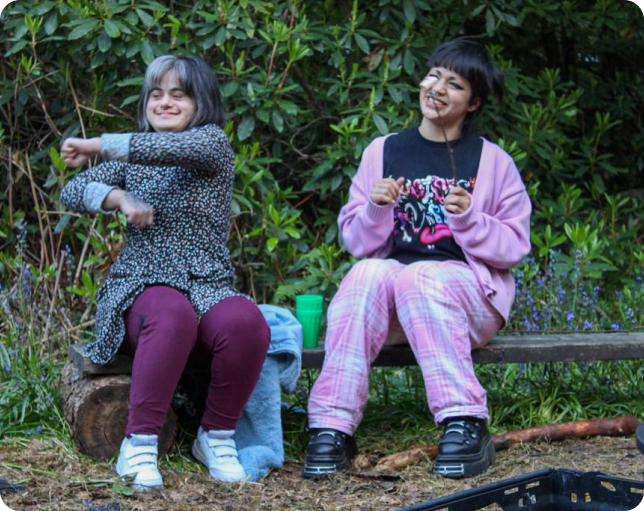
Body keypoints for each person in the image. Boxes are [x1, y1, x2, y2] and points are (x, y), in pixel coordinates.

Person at [303, 39, 532, 479]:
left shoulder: (492, 161)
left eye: (455, 84)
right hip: (393, 306)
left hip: (469, 299)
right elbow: (355, 240)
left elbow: (514, 246)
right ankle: (330, 428)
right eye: (433, 76)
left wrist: (469, 218)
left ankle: (464, 420)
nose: (437, 88)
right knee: (367, 271)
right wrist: (375, 208)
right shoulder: (382, 151)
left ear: (473, 103)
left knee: (421, 276)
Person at [60, 55, 270, 490]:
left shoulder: (211, 144)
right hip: (143, 284)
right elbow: (74, 188)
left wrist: (96, 143)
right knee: (171, 313)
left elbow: (168, 149)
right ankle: (138, 443)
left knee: (246, 321)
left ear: (201, 103)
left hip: (207, 283)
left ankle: (216, 437)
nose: (165, 102)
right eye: (156, 94)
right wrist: (119, 197)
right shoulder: (133, 161)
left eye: (178, 94)